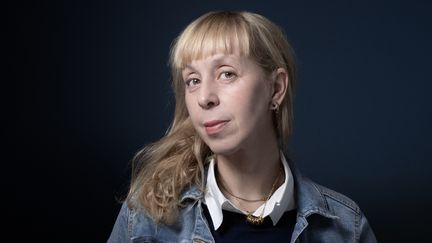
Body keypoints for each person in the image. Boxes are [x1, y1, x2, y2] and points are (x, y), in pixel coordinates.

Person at [108, 11, 377, 242]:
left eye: (227, 73)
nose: (204, 98)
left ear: (276, 88)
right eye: (193, 80)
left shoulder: (344, 226)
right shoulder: (144, 217)